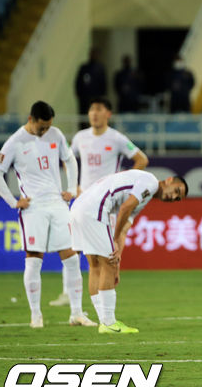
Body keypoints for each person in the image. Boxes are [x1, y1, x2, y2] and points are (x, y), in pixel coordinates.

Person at [0, 101, 96, 328]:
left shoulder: (55, 135)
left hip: (57, 203)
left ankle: (76, 313)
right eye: (42, 127)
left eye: (48, 126)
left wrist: (72, 187)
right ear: (31, 119)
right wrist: (13, 201)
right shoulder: (15, 142)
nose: (45, 131)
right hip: (33, 207)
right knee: (34, 260)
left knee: (72, 258)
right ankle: (36, 315)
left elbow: (70, 159)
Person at [48, 97, 149, 307]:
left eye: (99, 109)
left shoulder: (117, 138)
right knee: (71, 248)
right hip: (82, 199)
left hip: (106, 205)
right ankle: (68, 293)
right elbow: (68, 159)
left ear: (108, 114)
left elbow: (142, 159)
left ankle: (104, 297)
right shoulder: (80, 137)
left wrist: (125, 181)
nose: (94, 113)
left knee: (104, 254)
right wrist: (73, 184)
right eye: (92, 109)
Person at [69, 170, 188, 334]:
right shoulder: (151, 182)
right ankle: (109, 322)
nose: (174, 197)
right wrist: (114, 241)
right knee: (108, 264)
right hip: (95, 209)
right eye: (176, 191)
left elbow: (124, 228)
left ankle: (104, 322)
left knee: (96, 265)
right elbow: (125, 208)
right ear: (168, 180)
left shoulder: (144, 192)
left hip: (78, 208)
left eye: (178, 198)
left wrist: (118, 259)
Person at [75, 48, 107, 117]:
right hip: (84, 99)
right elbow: (78, 83)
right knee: (84, 117)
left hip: (96, 99)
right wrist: (79, 94)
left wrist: (102, 96)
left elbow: (103, 84)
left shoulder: (100, 68)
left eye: (95, 54)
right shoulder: (84, 68)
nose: (94, 56)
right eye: (92, 54)